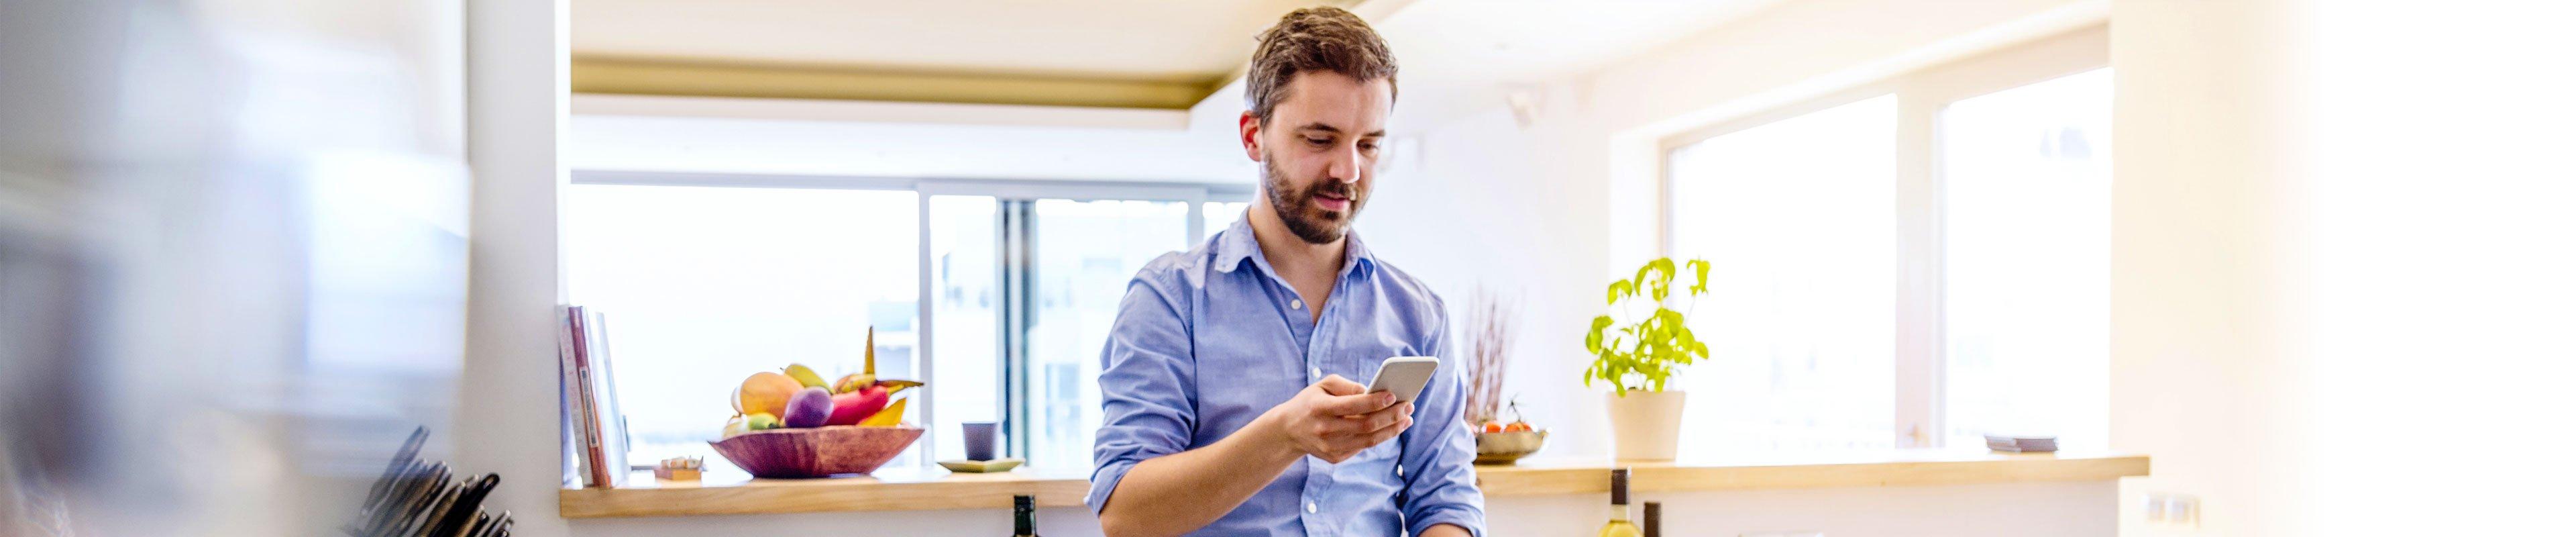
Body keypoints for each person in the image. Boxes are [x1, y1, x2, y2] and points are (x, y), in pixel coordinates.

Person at [1084, 7, 1483, 537]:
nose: (1348, 172)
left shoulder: (1419, 312)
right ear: (1254, 136)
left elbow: (1447, 498)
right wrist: (1284, 436)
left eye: (1368, 145)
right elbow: (1127, 514)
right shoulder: (1168, 299)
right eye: (1319, 140)